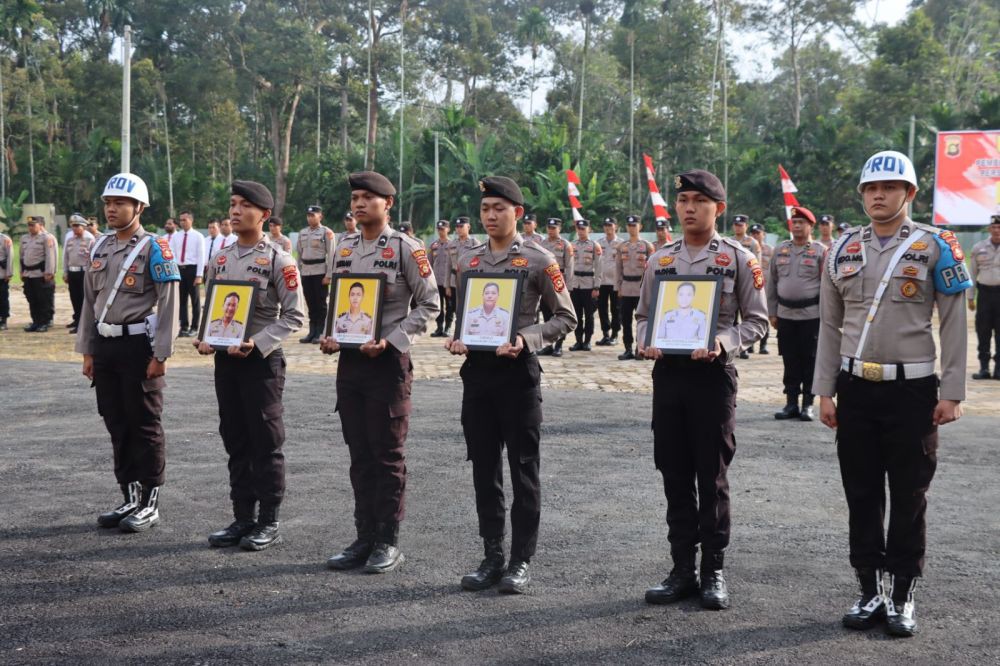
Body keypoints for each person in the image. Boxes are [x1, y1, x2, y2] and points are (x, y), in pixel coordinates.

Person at [814, 150, 970, 638]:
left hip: (914, 392)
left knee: (909, 494)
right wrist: (824, 391)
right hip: (855, 388)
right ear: (862, 195)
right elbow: (829, 324)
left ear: (909, 193)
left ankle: (902, 593)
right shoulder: (842, 248)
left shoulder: (937, 245)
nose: (878, 196)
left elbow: (953, 320)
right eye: (870, 189)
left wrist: (953, 390)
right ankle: (868, 589)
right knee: (860, 492)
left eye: (889, 188)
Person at [637, 169, 767, 611]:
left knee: (711, 476)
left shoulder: (739, 257)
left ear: (719, 209)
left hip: (713, 378)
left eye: (699, 201)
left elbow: (757, 320)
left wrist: (724, 342)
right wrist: (643, 339)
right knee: (673, 472)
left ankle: (713, 570)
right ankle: (680, 569)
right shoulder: (661, 260)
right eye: (683, 200)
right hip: (669, 376)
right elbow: (642, 315)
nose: (689, 208)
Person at [446, 176, 575, 594]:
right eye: (485, 209)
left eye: (499, 208)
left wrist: (526, 339)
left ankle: (520, 560)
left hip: (518, 375)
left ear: (517, 213)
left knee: (523, 471)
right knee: (484, 469)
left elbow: (566, 318)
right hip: (478, 375)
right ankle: (491, 556)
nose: (490, 216)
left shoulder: (540, 260)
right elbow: (465, 314)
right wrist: (458, 336)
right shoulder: (467, 260)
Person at [321, 171, 439, 574]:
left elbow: (429, 305)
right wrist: (331, 334)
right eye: (354, 197)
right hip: (350, 362)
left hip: (387, 362)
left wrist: (392, 339)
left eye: (367, 198)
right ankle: (363, 536)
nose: (358, 204)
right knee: (359, 455)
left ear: (387, 203)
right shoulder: (344, 247)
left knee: (387, 455)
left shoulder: (407, 248)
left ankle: (388, 540)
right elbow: (339, 301)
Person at [195, 180, 304, 551]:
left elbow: (294, 316)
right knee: (235, 438)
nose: (235, 210)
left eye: (244, 205)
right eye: (232, 204)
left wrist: (256, 343)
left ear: (265, 215)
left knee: (266, 442)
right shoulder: (220, 258)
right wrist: (205, 337)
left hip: (261, 363)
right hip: (226, 362)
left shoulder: (278, 260)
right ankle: (242, 516)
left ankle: (268, 521)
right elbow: (212, 308)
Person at [77, 172, 180, 533]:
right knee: (116, 421)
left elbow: (168, 304)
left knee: (145, 424)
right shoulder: (99, 247)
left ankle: (150, 502)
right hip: (105, 345)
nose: (112, 209)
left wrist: (161, 355)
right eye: (108, 203)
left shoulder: (155, 247)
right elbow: (90, 304)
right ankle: (130, 495)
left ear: (139, 207)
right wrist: (87, 351)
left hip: (139, 346)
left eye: (120, 203)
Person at [766, 206, 825, 421]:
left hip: (811, 315)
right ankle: (790, 403)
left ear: (810, 226)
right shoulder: (780, 249)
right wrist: (772, 312)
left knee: (810, 360)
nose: (797, 226)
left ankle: (807, 404)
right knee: (789, 360)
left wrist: (826, 316)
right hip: (785, 315)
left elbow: (827, 287)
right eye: (794, 222)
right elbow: (771, 283)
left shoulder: (819, 251)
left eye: (802, 222)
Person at [616, 215, 655, 360]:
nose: (632, 228)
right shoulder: (622, 246)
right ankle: (627, 348)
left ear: (640, 227)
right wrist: (617, 287)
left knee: (642, 320)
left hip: (642, 288)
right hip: (626, 288)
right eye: (629, 225)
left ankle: (641, 348)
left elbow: (651, 270)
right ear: (626, 227)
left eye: (634, 225)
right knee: (625, 320)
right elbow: (618, 268)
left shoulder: (647, 246)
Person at [297, 205, 336, 343]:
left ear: (320, 216)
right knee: (310, 302)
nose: (310, 218)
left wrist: (329, 275)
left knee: (320, 303)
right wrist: (298, 272)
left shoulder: (327, 232)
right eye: (308, 215)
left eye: (313, 215)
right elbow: (299, 255)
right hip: (306, 271)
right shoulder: (302, 233)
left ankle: (321, 331)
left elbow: (331, 255)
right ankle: (312, 331)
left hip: (320, 271)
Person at [969, 215, 1000, 379]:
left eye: (999, 227)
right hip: (985, 295)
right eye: (994, 227)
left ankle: (999, 369)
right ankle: (984, 368)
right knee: (983, 331)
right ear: (989, 229)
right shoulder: (978, 248)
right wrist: (970, 297)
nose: (997, 230)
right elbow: (972, 274)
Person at [538, 218, 574, 356]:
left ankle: (559, 345)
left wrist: (568, 288)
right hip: (545, 285)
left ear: (559, 228)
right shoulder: (542, 244)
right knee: (547, 316)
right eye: (549, 227)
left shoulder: (565, 244)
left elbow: (570, 267)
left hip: (559, 284)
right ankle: (548, 344)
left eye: (554, 228)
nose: (551, 230)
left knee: (560, 315)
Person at [170, 211, 206, 338]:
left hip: (193, 270)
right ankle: (183, 326)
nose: (182, 222)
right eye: (181, 220)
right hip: (179, 270)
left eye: (185, 220)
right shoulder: (176, 236)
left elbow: (201, 256)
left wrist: (199, 275)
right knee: (181, 300)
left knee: (195, 300)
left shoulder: (198, 236)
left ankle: (194, 327)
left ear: (191, 220)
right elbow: (172, 254)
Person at [568, 218, 602, 351]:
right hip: (575, 284)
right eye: (579, 229)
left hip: (589, 284)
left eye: (583, 229)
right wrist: (569, 285)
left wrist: (597, 286)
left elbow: (599, 267)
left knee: (589, 315)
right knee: (576, 314)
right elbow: (569, 266)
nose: (581, 231)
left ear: (589, 229)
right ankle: (578, 341)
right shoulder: (572, 245)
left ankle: (587, 341)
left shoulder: (594, 245)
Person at [20, 216, 57, 332]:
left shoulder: (46, 238)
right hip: (28, 274)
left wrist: (49, 272)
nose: (30, 228)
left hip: (40, 274)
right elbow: (21, 256)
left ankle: (44, 322)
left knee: (43, 299)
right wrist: (21, 271)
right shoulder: (24, 238)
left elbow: (50, 256)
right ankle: (35, 322)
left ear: (40, 225)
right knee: (32, 299)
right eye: (29, 225)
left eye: (33, 225)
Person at [446, 216, 481, 326]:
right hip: (454, 280)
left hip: (469, 279)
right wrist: (446, 285)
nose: (459, 229)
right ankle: (458, 328)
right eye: (457, 227)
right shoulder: (452, 244)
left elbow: (480, 263)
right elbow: (448, 264)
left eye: (461, 226)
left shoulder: (474, 243)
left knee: (470, 306)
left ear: (468, 227)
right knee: (457, 306)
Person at [64, 215, 96, 333]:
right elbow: (66, 257)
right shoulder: (70, 240)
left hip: (84, 272)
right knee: (75, 298)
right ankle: (77, 321)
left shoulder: (90, 239)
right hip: (72, 272)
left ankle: (84, 324)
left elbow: (93, 259)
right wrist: (65, 272)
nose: (75, 228)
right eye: (73, 226)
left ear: (83, 227)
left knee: (84, 299)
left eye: (77, 226)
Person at [595, 217, 622, 346]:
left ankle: (615, 334)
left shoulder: (621, 243)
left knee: (615, 309)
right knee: (602, 308)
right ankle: (605, 333)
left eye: (610, 225)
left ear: (615, 226)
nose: (607, 228)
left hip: (615, 282)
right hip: (601, 281)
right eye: (605, 225)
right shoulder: (599, 243)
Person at [748, 223, 773, 354]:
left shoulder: (770, 249)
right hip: (752, 287)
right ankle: (749, 345)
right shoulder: (747, 248)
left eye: (758, 233)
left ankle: (763, 345)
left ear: (764, 234)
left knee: (765, 317)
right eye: (753, 233)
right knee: (750, 317)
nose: (756, 235)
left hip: (767, 287)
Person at [429, 219, 454, 337]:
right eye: (439, 229)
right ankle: (439, 327)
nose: (440, 231)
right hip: (436, 281)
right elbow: (429, 263)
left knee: (449, 305)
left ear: (448, 229)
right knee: (438, 306)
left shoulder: (453, 245)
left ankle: (448, 328)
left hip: (448, 282)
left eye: (442, 229)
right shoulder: (434, 245)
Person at [0, 228, 12, 330]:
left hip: (1, 274)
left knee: (3, 298)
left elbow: (10, 257)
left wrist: (9, 273)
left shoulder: (5, 239)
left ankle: (3, 320)